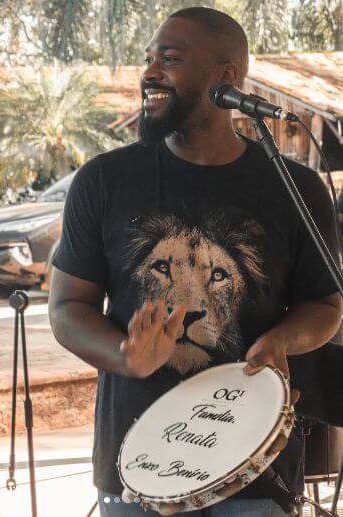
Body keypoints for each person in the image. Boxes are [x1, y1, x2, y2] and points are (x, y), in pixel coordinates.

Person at [49, 7, 342, 516]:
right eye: (148, 58)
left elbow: (324, 304)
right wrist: (124, 355)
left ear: (225, 77)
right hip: (139, 469)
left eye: (171, 58)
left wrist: (283, 340)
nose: (150, 71)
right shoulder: (104, 181)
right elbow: (66, 308)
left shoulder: (295, 187)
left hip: (256, 469)